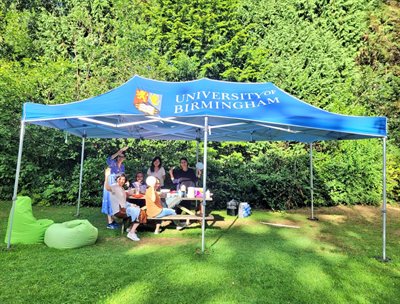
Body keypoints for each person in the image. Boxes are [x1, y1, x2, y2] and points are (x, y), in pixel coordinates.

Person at [105, 173, 142, 241]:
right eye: (120, 179)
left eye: (123, 179)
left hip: (124, 208)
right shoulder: (114, 186)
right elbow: (107, 188)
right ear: (117, 179)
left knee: (137, 208)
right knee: (139, 212)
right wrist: (106, 176)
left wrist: (131, 205)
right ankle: (131, 233)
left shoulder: (121, 188)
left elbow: (123, 201)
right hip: (118, 211)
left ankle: (130, 228)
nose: (122, 181)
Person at [101, 147, 128, 229]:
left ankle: (112, 220)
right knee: (109, 202)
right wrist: (118, 152)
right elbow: (109, 159)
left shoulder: (122, 167)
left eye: (122, 156)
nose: (120, 158)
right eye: (119, 156)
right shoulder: (112, 164)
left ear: (124, 158)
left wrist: (126, 181)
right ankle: (109, 223)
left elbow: (121, 177)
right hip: (109, 185)